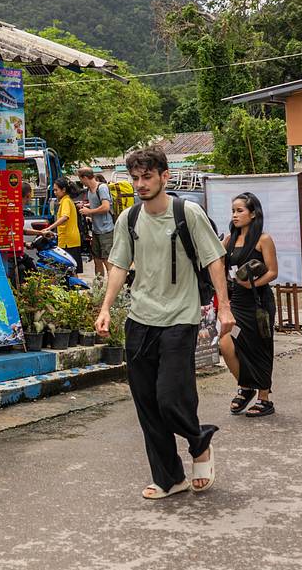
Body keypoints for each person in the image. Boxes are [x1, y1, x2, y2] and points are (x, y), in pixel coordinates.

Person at [95, 147, 234, 499]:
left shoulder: (186, 212)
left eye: (147, 177)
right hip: (140, 319)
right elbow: (119, 266)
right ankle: (170, 477)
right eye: (135, 178)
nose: (140, 184)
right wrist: (106, 307)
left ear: (164, 176)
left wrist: (225, 308)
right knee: (146, 403)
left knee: (171, 397)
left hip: (180, 317)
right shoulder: (129, 218)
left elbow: (215, 258)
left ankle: (199, 443)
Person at [220, 193, 279, 417]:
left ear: (253, 213)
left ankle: (264, 397)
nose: (235, 215)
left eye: (240, 211)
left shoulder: (263, 239)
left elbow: (273, 272)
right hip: (237, 304)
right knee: (227, 342)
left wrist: (250, 284)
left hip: (258, 303)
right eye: (233, 211)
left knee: (259, 348)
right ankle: (245, 387)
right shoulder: (229, 240)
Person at [34, 177, 84, 272]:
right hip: (67, 239)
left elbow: (65, 217)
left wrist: (49, 228)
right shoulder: (65, 201)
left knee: (70, 269)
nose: (55, 192)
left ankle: (75, 287)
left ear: (64, 190)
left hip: (69, 241)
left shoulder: (66, 201)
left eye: (56, 190)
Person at [77, 167, 115, 277]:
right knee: (97, 260)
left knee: (107, 261)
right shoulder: (90, 191)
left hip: (106, 230)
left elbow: (106, 207)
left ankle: (115, 290)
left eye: (81, 179)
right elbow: (97, 204)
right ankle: (98, 289)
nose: (81, 182)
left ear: (85, 177)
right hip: (96, 230)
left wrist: (89, 211)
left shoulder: (101, 188)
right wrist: (85, 206)